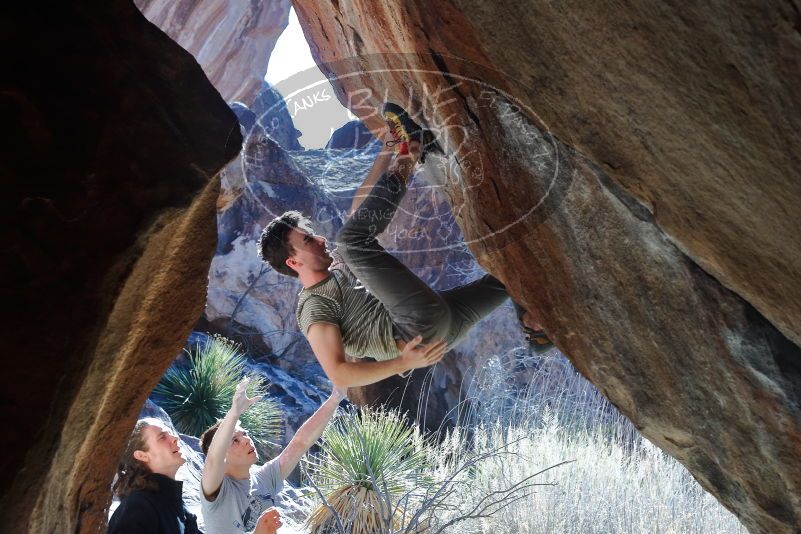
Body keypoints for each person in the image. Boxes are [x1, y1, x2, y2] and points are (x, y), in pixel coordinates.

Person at [258, 104, 552, 389]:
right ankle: (412, 149)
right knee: (351, 241)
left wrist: (386, 148)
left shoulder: (337, 272)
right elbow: (339, 375)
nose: (320, 239)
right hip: (416, 335)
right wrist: (402, 363)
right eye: (308, 240)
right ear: (293, 263)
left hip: (444, 328)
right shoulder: (313, 307)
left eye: (313, 234)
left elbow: (358, 211)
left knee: (509, 272)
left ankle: (535, 327)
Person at [200, 377, 345, 533]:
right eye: (235, 440)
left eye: (245, 434)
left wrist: (336, 397)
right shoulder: (216, 488)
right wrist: (234, 414)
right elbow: (213, 460)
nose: (246, 440)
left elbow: (301, 442)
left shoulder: (264, 477)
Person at [108, 418, 201, 534]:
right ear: (142, 455)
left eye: (169, 435)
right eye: (162, 437)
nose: (174, 439)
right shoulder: (138, 507)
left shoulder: (176, 505)